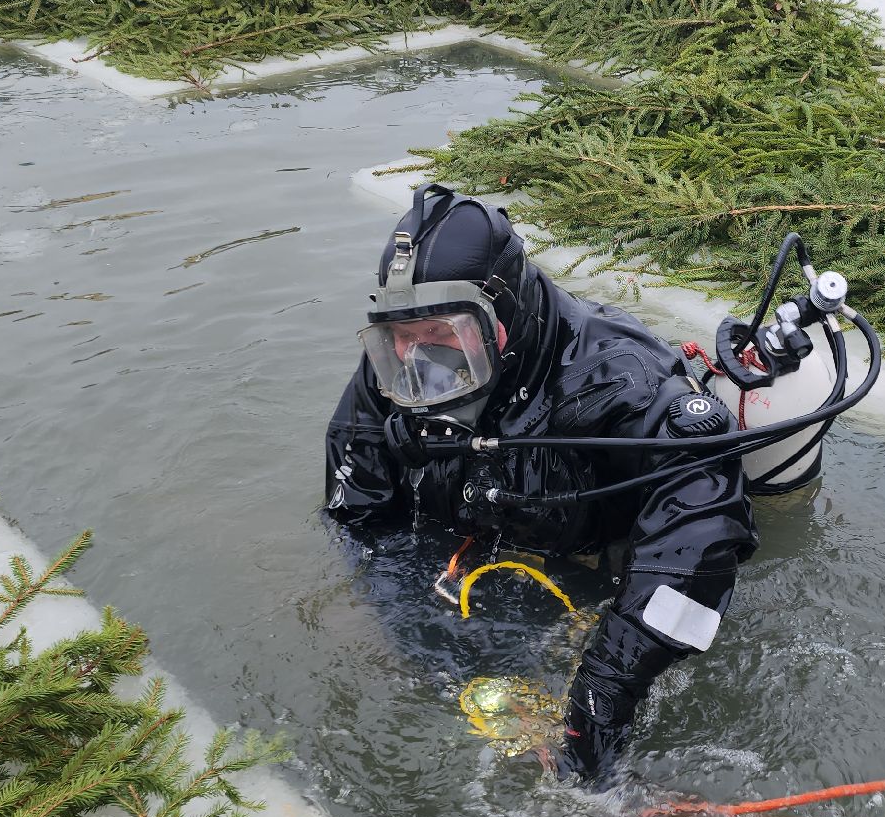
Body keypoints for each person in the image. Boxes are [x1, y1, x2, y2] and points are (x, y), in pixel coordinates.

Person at [323, 184, 759, 783]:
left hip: (598, 570)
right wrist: (434, 642)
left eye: (442, 334)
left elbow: (704, 534)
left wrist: (598, 703)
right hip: (479, 563)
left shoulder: (615, 378)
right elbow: (360, 515)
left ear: (501, 315)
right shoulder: (396, 373)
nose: (421, 361)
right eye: (401, 335)